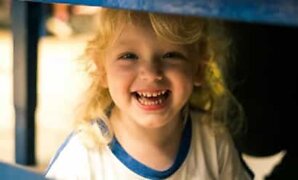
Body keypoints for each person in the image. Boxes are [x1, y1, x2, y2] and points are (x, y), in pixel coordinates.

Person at [44, 7, 252, 179]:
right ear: (102, 70)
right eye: (129, 56)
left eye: (171, 55)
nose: (151, 73)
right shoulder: (83, 156)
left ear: (199, 68)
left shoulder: (213, 140)